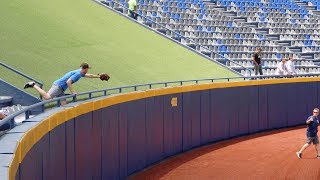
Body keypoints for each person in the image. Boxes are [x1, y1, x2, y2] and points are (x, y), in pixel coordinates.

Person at [24, 62, 101, 105]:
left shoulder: (79, 72)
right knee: (47, 97)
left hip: (61, 89)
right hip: (58, 86)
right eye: (87, 69)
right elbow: (68, 82)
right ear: (84, 69)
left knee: (64, 104)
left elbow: (89, 75)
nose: (87, 71)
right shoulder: (78, 74)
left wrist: (98, 76)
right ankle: (33, 84)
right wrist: (73, 92)